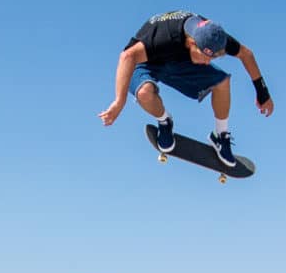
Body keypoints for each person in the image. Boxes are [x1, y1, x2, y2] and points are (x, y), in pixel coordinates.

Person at [98, 10, 273, 166]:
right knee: (145, 93)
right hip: (143, 62)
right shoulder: (165, 37)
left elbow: (246, 54)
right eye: (205, 57)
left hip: (178, 62)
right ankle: (165, 122)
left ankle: (220, 135)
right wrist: (119, 102)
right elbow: (127, 56)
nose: (207, 62)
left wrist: (262, 92)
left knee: (222, 81)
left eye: (211, 59)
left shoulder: (213, 35)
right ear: (191, 43)